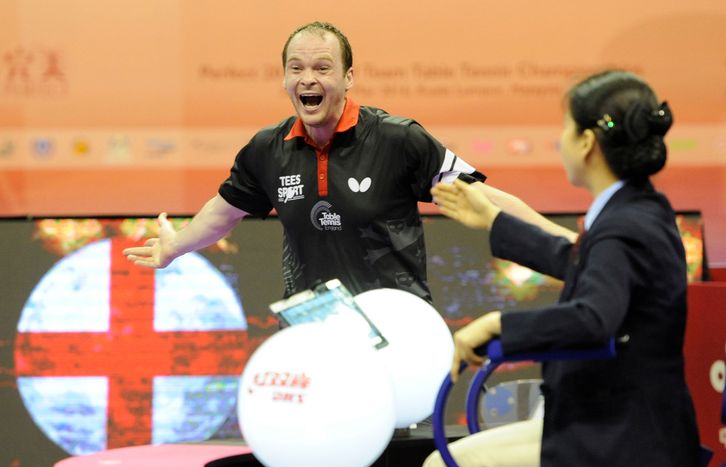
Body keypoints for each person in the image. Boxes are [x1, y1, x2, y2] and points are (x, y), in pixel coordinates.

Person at [123, 20, 570, 303]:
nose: (308, 79)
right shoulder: (267, 149)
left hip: (395, 326)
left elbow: (483, 200)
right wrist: (174, 246)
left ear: (348, 78)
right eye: (296, 68)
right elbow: (223, 214)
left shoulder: (399, 139)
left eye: (322, 68)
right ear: (283, 79)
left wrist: (566, 244)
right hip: (311, 331)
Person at [420, 70, 701, 467]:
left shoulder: (623, 225)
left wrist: (499, 324)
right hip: (629, 426)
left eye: (566, 128)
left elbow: (593, 319)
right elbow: (580, 262)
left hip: (623, 441)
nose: (561, 139)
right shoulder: (642, 210)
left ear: (587, 142)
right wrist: (495, 221)